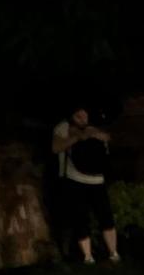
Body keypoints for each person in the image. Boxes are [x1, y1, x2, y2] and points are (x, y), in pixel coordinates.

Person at [51, 105, 119, 264]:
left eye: (85, 116)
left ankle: (113, 253)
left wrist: (92, 134)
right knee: (81, 219)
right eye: (78, 116)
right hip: (75, 180)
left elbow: (107, 138)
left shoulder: (93, 129)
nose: (83, 119)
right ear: (72, 116)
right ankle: (88, 257)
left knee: (106, 217)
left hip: (97, 179)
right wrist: (77, 138)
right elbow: (56, 148)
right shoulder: (64, 127)